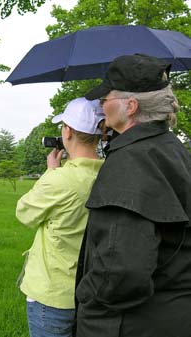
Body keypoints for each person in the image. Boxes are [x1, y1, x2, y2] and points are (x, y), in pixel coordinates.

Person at [75, 54, 191, 337]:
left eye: (107, 96)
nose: (101, 104)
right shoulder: (173, 150)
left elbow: (120, 272)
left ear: (131, 105)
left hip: (131, 323)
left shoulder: (131, 162)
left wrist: (87, 300)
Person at [16, 97, 106, 337]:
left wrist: (50, 172)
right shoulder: (110, 174)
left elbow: (24, 213)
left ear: (67, 131)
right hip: (90, 291)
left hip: (52, 295)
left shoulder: (60, 180)